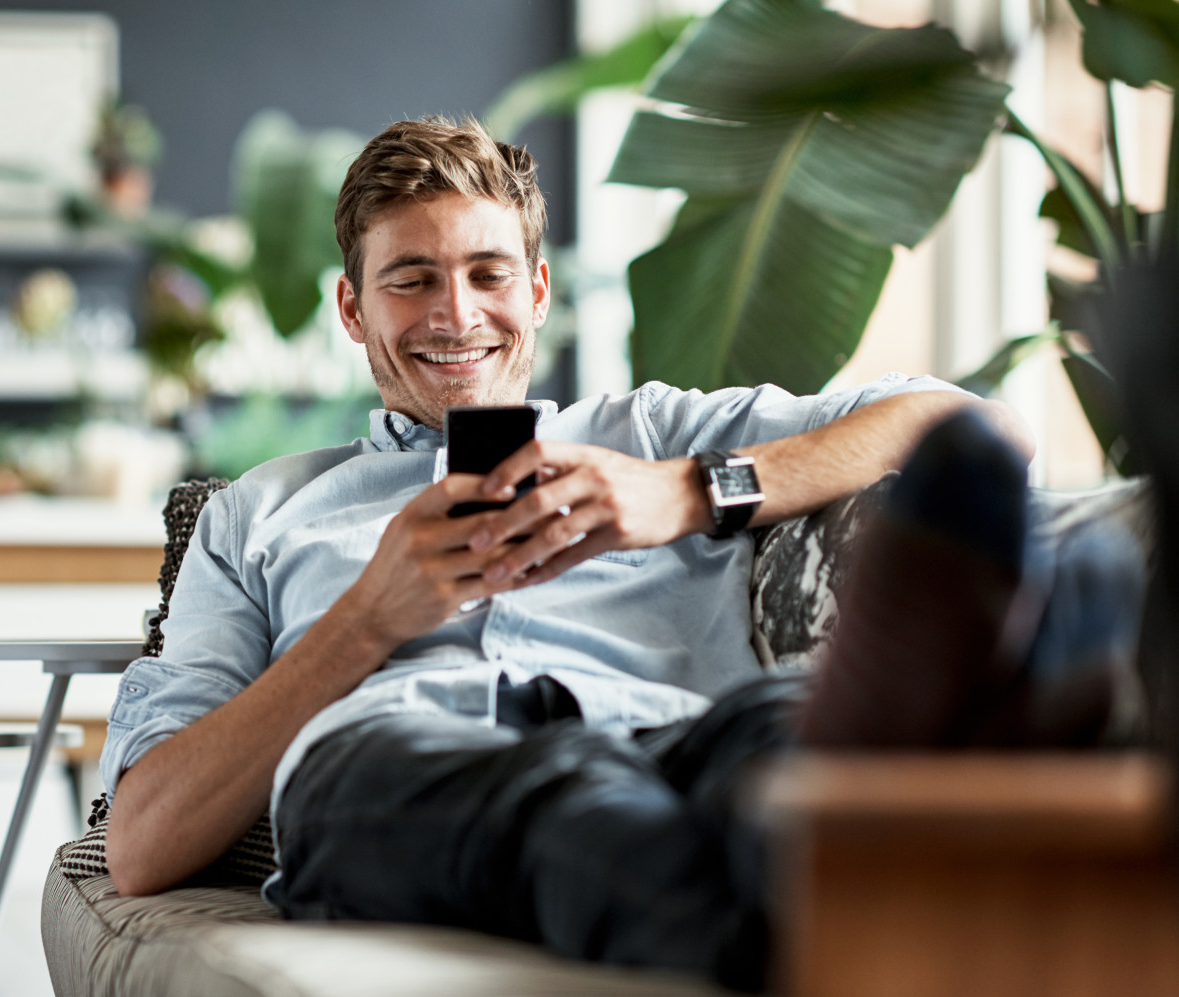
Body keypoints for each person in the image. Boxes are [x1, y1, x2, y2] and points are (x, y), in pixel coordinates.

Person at [96, 116, 1126, 990]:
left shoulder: (659, 430)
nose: (457, 315)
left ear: (537, 290)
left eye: (487, 274)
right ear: (354, 309)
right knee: (576, 816)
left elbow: (967, 427)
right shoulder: (259, 511)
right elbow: (142, 842)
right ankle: (920, 770)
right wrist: (365, 619)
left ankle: (869, 751)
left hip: (678, 731)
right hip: (391, 761)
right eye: (411, 281)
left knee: (769, 737)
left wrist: (686, 490)